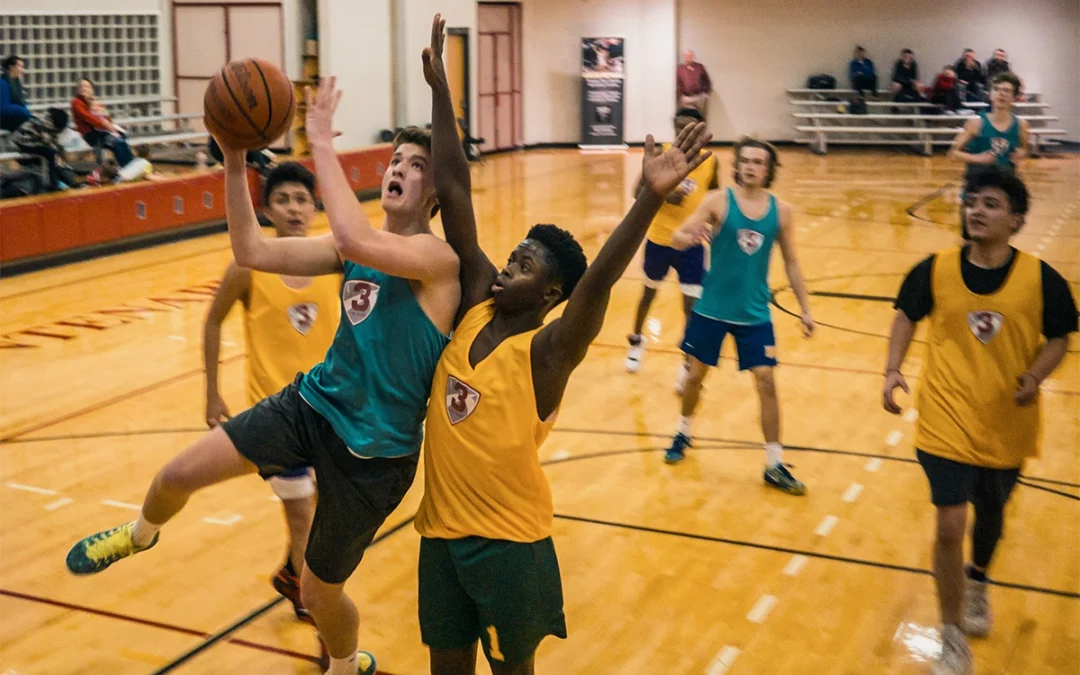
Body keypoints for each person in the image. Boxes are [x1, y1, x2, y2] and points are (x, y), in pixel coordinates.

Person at [65, 76, 462, 675]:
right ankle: (140, 536)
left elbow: (354, 232)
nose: (399, 167)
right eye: (396, 158)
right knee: (176, 473)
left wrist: (320, 140)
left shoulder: (439, 263)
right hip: (311, 407)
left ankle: (346, 664)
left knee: (317, 592)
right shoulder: (350, 248)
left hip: (375, 457)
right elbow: (250, 250)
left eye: (417, 163)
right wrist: (231, 161)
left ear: (436, 193)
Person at [417, 15, 712, 675]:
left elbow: (601, 279)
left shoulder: (548, 354)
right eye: (513, 253)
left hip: (508, 542)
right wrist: (441, 93)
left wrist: (646, 200)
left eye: (524, 264)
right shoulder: (473, 306)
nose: (507, 265)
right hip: (438, 533)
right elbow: (457, 187)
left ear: (551, 296)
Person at [883, 166, 1077, 675]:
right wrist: (891, 370)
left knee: (990, 516)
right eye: (972, 202)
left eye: (991, 204)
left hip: (1006, 420)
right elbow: (905, 313)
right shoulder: (934, 269)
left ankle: (979, 580)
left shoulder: (1043, 279)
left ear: (1016, 220)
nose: (977, 211)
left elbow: (1060, 336)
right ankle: (951, 637)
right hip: (944, 416)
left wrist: (1036, 374)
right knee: (950, 522)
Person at [202, 161, 341, 624]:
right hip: (275, 414)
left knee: (320, 511)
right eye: (283, 200)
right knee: (301, 513)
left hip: (329, 407)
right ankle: (310, 599)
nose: (294, 209)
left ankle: (290, 570)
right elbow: (213, 321)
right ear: (266, 209)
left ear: (315, 207)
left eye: (302, 199)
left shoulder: (335, 263)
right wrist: (212, 393)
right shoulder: (248, 266)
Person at [661, 137, 815, 496]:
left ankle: (774, 463)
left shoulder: (782, 211)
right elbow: (677, 235)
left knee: (766, 381)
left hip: (755, 313)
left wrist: (806, 309)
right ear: (738, 165)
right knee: (695, 376)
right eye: (745, 161)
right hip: (712, 309)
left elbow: (791, 262)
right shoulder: (718, 201)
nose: (750, 167)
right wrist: (689, 237)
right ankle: (684, 430)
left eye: (758, 162)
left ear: (769, 169)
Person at [625, 106, 719, 383]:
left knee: (691, 305)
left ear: (700, 130)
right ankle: (636, 340)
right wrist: (666, 196)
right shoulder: (661, 153)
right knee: (648, 294)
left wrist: (715, 225)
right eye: (679, 127)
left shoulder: (710, 162)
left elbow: (713, 195)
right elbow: (636, 191)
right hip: (659, 240)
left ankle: (687, 360)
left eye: (689, 127)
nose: (683, 133)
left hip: (691, 243)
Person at [948, 72, 1029, 239]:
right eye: (997, 89)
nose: (1002, 93)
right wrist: (978, 159)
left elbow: (1026, 148)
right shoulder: (976, 123)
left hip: (1003, 197)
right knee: (970, 244)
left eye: (1007, 90)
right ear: (990, 94)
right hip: (975, 193)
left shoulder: (1021, 125)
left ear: (1014, 97)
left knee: (998, 244)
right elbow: (953, 153)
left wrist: (1022, 153)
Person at [70, 78, 135, 168]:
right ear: (77, 89)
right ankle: (128, 168)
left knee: (121, 142)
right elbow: (87, 117)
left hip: (103, 132)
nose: (83, 88)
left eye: (86, 86)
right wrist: (104, 124)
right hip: (90, 134)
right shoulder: (76, 102)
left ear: (91, 90)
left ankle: (129, 167)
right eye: (81, 86)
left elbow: (108, 119)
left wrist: (105, 117)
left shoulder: (94, 102)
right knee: (117, 142)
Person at [11, 107, 75, 191]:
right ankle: (53, 184)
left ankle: (52, 181)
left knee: (50, 154)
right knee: (50, 154)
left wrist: (60, 150)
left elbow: (52, 140)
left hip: (29, 142)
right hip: (23, 143)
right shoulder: (42, 124)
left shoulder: (45, 120)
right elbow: (47, 140)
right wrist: (60, 151)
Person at [676, 49, 712, 116]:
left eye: (689, 56)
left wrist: (705, 94)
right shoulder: (680, 69)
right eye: (686, 56)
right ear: (684, 57)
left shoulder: (700, 67)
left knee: (699, 117)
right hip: (686, 98)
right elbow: (678, 83)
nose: (688, 57)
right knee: (687, 118)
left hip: (699, 98)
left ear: (693, 57)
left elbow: (707, 81)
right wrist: (681, 95)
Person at [0, 55, 30, 131]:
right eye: (19, 66)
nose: (22, 69)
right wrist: (22, 110)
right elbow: (3, 107)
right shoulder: (3, 83)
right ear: (11, 67)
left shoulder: (16, 83)